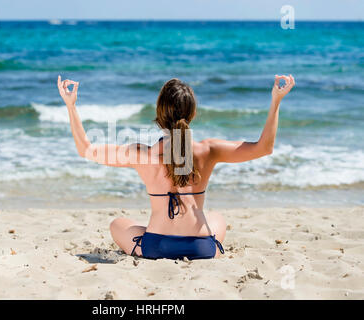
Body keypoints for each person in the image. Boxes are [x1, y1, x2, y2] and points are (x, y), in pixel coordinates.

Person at [57, 74, 295, 260]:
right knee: (216, 218)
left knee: (117, 224)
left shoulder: (142, 154)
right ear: (192, 113)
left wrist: (71, 106)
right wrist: (276, 101)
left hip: (157, 246)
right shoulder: (208, 149)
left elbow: (86, 149)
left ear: (159, 113)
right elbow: (264, 147)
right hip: (202, 248)